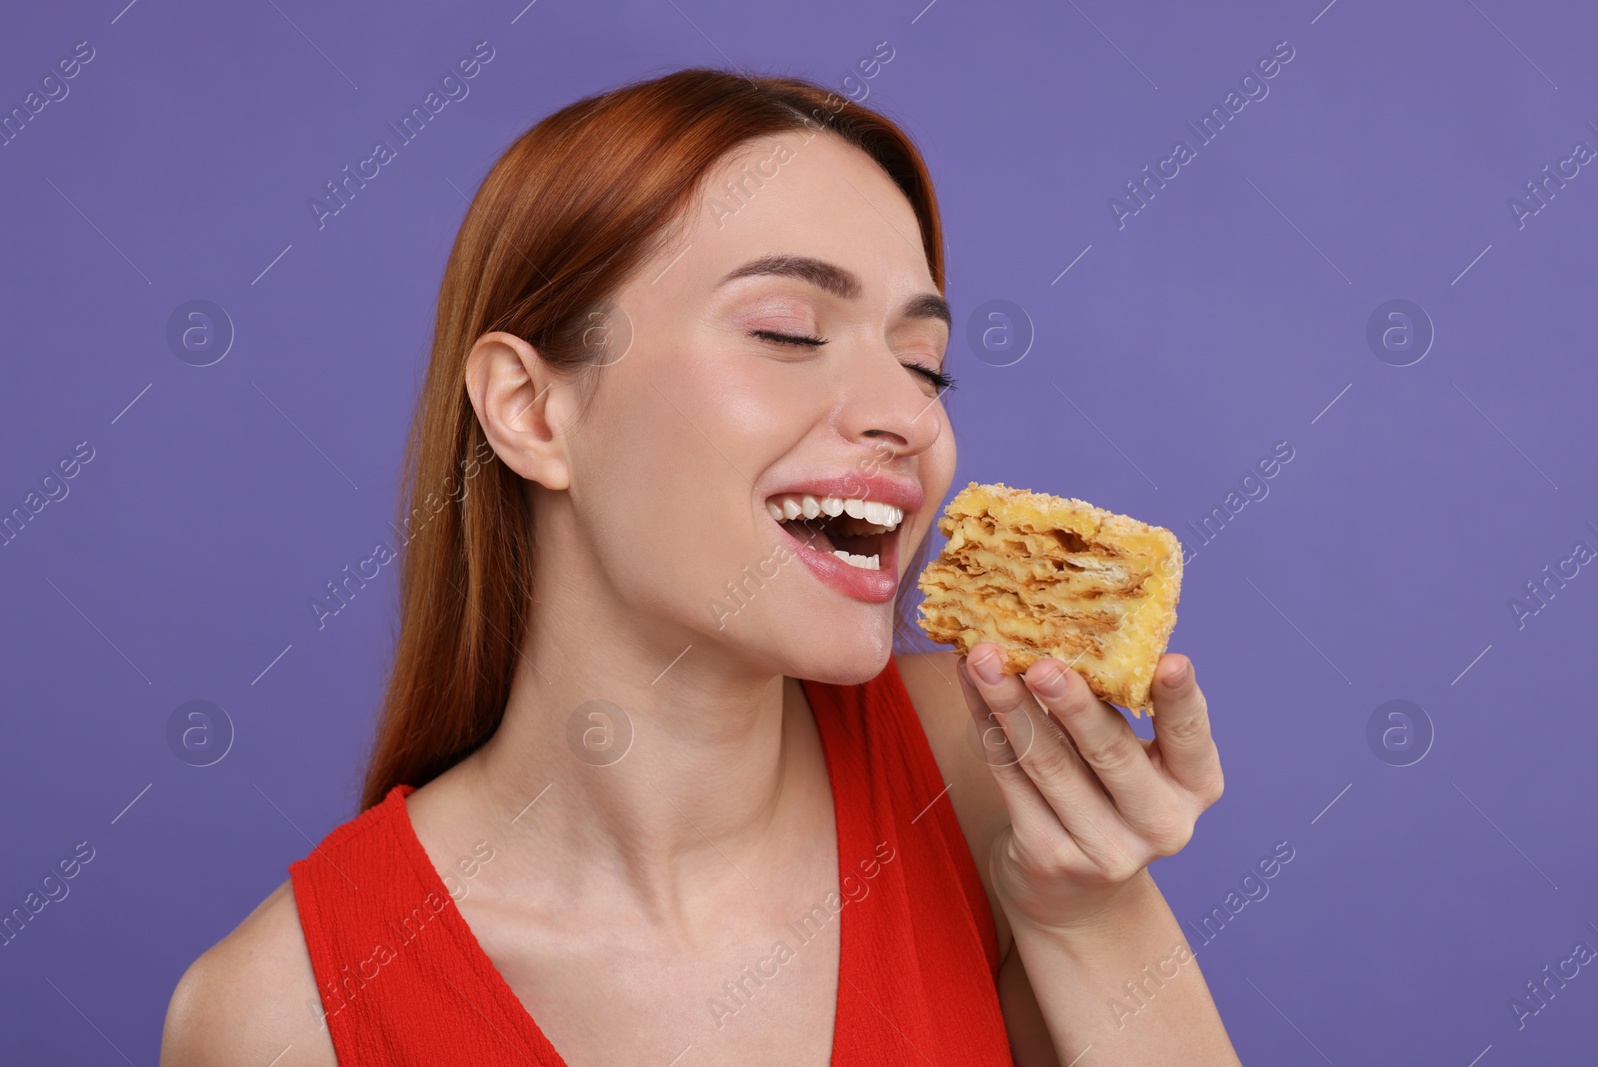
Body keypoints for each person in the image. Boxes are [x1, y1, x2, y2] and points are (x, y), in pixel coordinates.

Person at [160, 66, 1238, 1065]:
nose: (907, 415)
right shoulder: (281, 1013)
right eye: (786, 330)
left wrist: (1089, 913)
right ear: (532, 410)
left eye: (924, 365)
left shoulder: (985, 776)